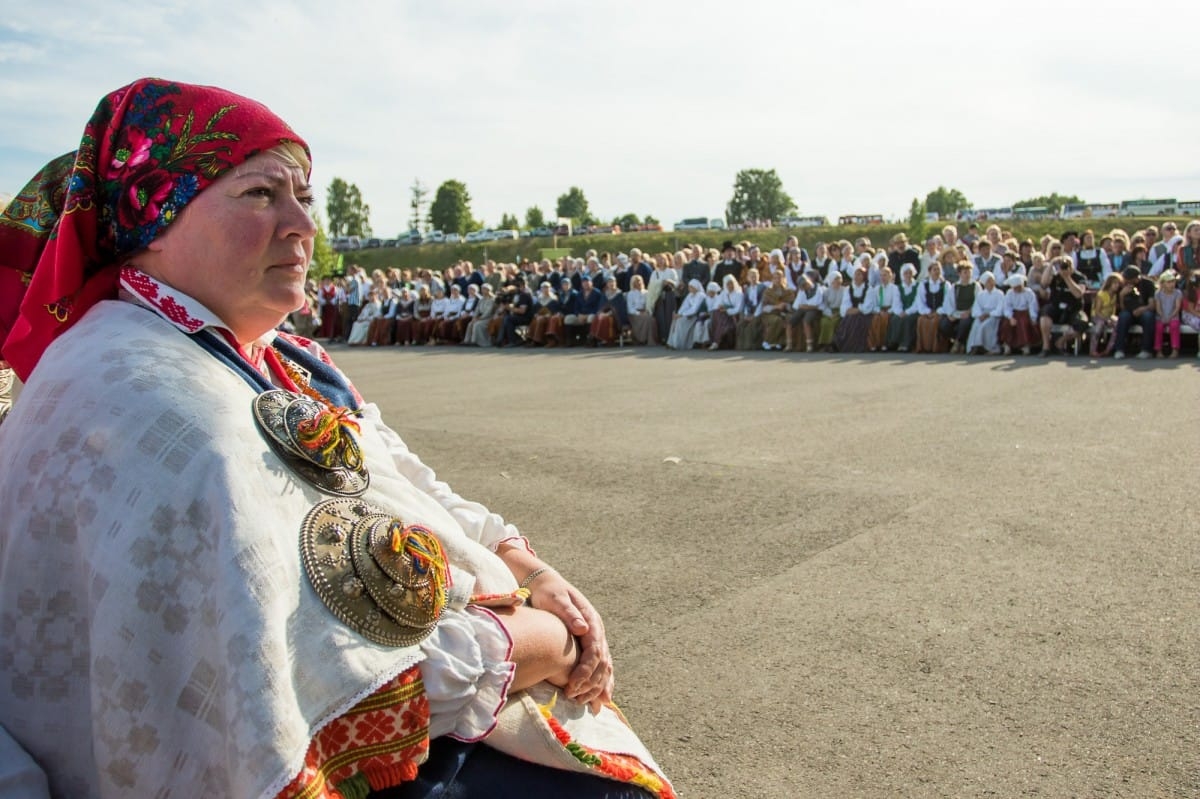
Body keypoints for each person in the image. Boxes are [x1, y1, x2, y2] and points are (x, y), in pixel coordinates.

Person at [0, 78, 671, 799]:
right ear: (152, 218)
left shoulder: (268, 353)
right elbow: (318, 682)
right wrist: (537, 641)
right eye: (260, 194)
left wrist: (528, 568)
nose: (300, 224)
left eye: (304, 197)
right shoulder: (155, 398)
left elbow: (400, 472)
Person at [1038, 256, 1087, 356]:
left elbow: (1078, 294)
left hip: (1073, 308)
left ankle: (1060, 342)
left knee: (1083, 323)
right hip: (1056, 307)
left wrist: (1067, 277)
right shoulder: (1056, 277)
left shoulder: (1080, 277)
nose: (1065, 268)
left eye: (1067, 265)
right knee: (1045, 313)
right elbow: (1043, 284)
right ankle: (1046, 347)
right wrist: (1051, 264)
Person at [1112, 265, 1158, 360]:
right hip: (1128, 312)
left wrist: (1142, 309)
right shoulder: (1122, 286)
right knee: (1123, 316)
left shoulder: (1148, 284)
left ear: (1136, 278)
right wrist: (1121, 295)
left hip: (1144, 311)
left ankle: (1146, 350)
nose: (1126, 281)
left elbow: (1152, 305)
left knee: (1148, 316)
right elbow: (1121, 308)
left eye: (1129, 279)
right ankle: (1119, 350)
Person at [939, 263, 977, 354]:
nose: (967, 275)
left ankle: (957, 343)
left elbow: (978, 301)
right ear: (959, 274)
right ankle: (961, 342)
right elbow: (949, 302)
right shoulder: (955, 287)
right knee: (944, 325)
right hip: (957, 313)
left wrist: (969, 311)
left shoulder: (975, 286)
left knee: (965, 323)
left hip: (969, 313)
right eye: (965, 272)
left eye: (969, 272)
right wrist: (951, 314)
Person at [1000, 274, 1040, 355]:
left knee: (1023, 323)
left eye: (1019, 287)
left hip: (1025, 313)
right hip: (1013, 313)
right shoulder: (1009, 293)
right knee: (1006, 324)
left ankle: (1025, 345)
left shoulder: (1029, 292)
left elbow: (1033, 305)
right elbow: (1007, 307)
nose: (1017, 289)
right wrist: (1010, 317)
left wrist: (1033, 317)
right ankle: (1007, 345)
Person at [966, 272, 1004, 355]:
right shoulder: (981, 294)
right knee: (976, 325)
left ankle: (990, 348)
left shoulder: (999, 293)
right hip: (982, 315)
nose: (991, 283)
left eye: (992, 281)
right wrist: (980, 315)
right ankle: (974, 346)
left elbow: (1000, 308)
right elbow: (976, 307)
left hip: (994, 316)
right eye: (988, 281)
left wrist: (989, 314)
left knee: (985, 326)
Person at [914, 262, 949, 354]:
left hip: (940, 312)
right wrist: (927, 311)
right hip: (927, 311)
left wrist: (938, 311)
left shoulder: (945, 285)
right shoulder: (923, 284)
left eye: (938, 270)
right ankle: (924, 346)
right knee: (921, 321)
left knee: (934, 322)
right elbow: (920, 300)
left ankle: (935, 347)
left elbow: (947, 302)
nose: (937, 272)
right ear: (929, 272)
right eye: (934, 270)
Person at [887, 264, 921, 352]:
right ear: (903, 274)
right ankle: (894, 342)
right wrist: (900, 312)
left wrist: (907, 312)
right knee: (895, 319)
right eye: (906, 273)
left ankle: (906, 344)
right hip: (902, 311)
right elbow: (896, 302)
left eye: (910, 273)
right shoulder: (898, 288)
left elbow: (917, 302)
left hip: (914, 311)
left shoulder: (918, 286)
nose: (908, 275)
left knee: (908, 320)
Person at [666, 279, 706, 350]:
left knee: (680, 321)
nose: (689, 289)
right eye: (689, 287)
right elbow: (684, 306)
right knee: (675, 320)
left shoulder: (701, 295)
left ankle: (678, 344)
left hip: (695, 316)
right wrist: (679, 314)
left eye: (691, 287)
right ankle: (672, 342)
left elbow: (694, 309)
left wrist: (682, 315)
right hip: (687, 314)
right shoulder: (690, 295)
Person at [1089, 273, 1122, 357]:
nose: (1117, 285)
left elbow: (1113, 311)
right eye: (1115, 283)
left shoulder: (1114, 295)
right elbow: (1097, 311)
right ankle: (1092, 350)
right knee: (1099, 325)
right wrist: (1106, 319)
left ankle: (1108, 349)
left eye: (1118, 283)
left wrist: (1111, 319)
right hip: (1097, 316)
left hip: (1109, 316)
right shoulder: (1101, 294)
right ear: (1109, 283)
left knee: (1118, 324)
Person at [1153, 270, 1183, 358]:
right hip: (1161, 316)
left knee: (1174, 326)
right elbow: (1158, 307)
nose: (1172, 284)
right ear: (1162, 283)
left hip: (1173, 316)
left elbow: (1177, 307)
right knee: (1158, 327)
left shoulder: (1178, 293)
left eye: (1173, 281)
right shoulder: (1158, 293)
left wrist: (1170, 317)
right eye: (1169, 282)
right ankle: (1158, 350)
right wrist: (1162, 316)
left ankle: (1175, 349)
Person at [624, 274, 656, 345]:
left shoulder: (647, 293)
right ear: (633, 283)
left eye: (640, 281)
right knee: (648, 319)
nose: (639, 283)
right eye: (637, 281)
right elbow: (630, 308)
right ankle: (641, 338)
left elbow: (650, 305)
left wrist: (648, 311)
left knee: (651, 319)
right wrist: (639, 313)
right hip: (634, 314)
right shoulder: (631, 294)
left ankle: (651, 340)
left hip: (645, 312)